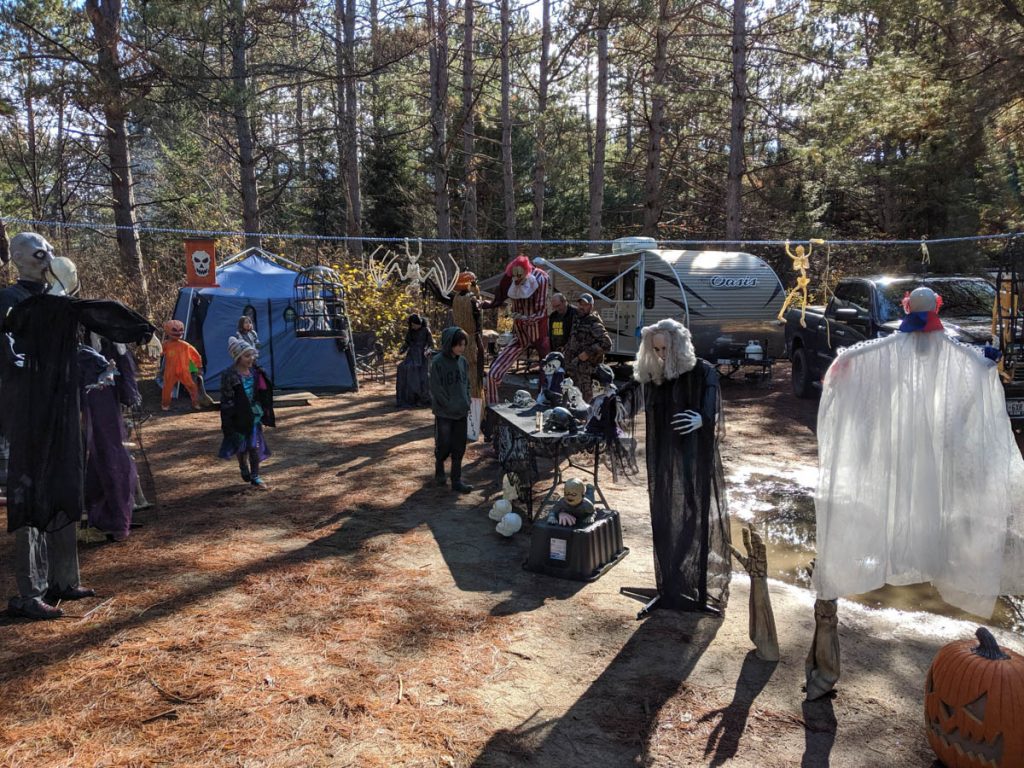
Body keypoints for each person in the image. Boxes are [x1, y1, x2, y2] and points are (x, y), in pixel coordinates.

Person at [2, 232, 156, 620]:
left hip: (63, 408)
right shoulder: (10, 301)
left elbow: (93, 323)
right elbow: (11, 352)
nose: (48, 258)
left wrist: (137, 335)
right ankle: (30, 591)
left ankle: (64, 580)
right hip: (29, 412)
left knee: (66, 484)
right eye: (40, 252)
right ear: (18, 257)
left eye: (51, 251)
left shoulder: (60, 301)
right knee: (31, 494)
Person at [630, 317, 730, 613]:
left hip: (694, 450)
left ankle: (691, 581)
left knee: (694, 507)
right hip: (664, 451)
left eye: (666, 349)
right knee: (663, 507)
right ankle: (670, 580)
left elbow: (712, 402)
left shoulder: (703, 371)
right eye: (657, 350)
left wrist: (703, 418)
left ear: (679, 345)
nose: (662, 355)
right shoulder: (656, 375)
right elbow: (632, 390)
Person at [480, 255, 550, 403]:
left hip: (539, 331)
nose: (517, 281)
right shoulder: (508, 277)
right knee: (493, 373)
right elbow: (499, 298)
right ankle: (492, 405)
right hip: (520, 334)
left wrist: (526, 318)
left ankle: (544, 400)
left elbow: (541, 311)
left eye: (520, 279)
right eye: (514, 279)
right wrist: (485, 304)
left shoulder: (541, 278)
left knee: (548, 368)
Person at [218, 337, 275, 490]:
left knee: (253, 446)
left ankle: (255, 476)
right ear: (238, 357)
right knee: (241, 447)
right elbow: (227, 399)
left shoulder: (256, 373)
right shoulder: (230, 375)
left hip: (253, 415)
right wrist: (227, 421)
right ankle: (243, 465)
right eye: (247, 356)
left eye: (252, 355)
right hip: (238, 416)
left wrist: (265, 410)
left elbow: (263, 392)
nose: (251, 358)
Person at [429, 326, 474, 493]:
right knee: (444, 445)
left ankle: (456, 481)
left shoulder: (463, 362)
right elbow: (436, 388)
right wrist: (448, 404)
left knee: (459, 447)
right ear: (450, 343)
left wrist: (467, 399)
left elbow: (467, 383)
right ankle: (439, 467)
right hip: (444, 413)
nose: (462, 348)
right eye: (459, 344)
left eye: (464, 344)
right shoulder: (438, 362)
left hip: (461, 411)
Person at [562, 293, 612, 402]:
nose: (581, 307)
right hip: (574, 370)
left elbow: (607, 344)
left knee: (586, 403)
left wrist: (588, 353)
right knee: (573, 401)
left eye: (585, 305)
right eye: (580, 304)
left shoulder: (594, 323)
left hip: (586, 374)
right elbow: (574, 340)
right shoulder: (578, 320)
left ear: (591, 306)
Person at [160, 319, 202, 411]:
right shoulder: (166, 345)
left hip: (184, 370)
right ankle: (165, 404)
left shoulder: (185, 345)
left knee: (192, 386)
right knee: (167, 388)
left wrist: (198, 366)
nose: (178, 332)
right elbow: (160, 352)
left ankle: (196, 403)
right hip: (170, 371)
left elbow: (195, 355)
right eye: (174, 330)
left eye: (180, 330)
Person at [395, 313, 434, 408]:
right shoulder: (410, 331)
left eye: (415, 325)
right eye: (412, 325)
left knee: (421, 375)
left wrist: (427, 350)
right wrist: (402, 350)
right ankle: (409, 397)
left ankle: (422, 398)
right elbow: (407, 343)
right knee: (402, 368)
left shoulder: (426, 330)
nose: (414, 327)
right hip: (412, 355)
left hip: (423, 356)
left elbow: (431, 344)